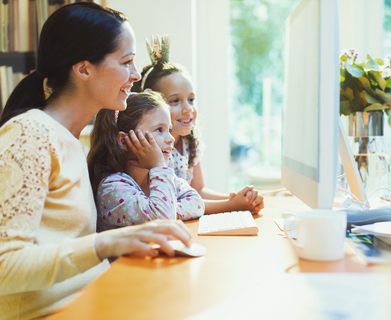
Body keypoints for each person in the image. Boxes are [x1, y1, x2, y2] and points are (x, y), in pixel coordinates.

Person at [0, 4, 192, 320]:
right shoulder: (29, 133)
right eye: (127, 62)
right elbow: (6, 267)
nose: (135, 75)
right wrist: (107, 243)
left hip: (96, 300)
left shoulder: (73, 139)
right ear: (84, 69)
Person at [132, 35, 265, 215]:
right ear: (152, 105)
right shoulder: (152, 146)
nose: (188, 109)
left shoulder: (190, 141)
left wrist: (236, 199)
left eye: (191, 99)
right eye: (175, 101)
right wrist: (232, 205)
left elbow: (198, 190)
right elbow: (170, 203)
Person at [88, 91, 205, 232]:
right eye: (159, 130)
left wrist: (169, 209)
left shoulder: (161, 178)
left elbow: (197, 203)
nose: (170, 138)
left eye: (169, 129)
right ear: (124, 141)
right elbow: (163, 220)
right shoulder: (111, 188)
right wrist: (158, 166)